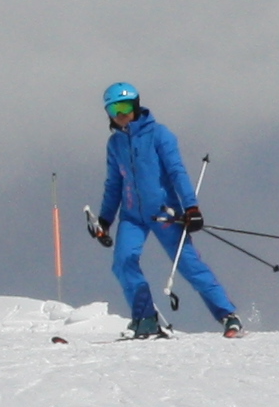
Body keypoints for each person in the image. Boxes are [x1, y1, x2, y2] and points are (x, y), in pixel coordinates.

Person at [89, 81, 239, 339]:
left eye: (125, 106)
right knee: (123, 261)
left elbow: (176, 171)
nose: (121, 114)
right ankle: (145, 319)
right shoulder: (115, 144)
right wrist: (104, 219)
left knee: (188, 264)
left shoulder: (159, 134)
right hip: (132, 216)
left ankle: (228, 315)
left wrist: (191, 207)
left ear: (136, 105)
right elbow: (114, 184)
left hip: (165, 213)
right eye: (114, 109)